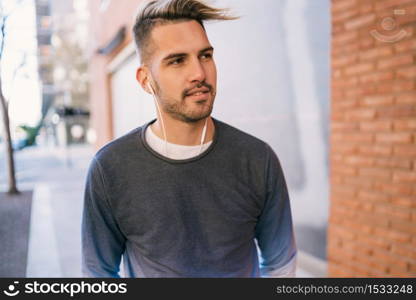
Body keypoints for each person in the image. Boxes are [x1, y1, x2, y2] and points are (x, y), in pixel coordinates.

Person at [82, 0, 297, 278]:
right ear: (146, 80)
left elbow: (281, 265)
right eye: (177, 60)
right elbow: (97, 273)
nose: (199, 73)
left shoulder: (257, 159)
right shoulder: (110, 168)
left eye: (205, 56)